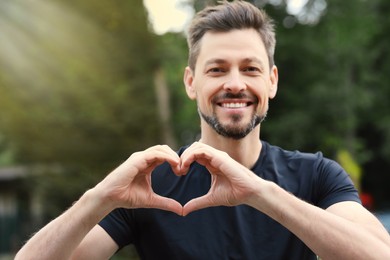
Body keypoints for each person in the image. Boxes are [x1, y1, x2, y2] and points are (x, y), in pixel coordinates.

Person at [15, 1, 390, 259]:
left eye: (250, 68)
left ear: (272, 81)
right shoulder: (150, 186)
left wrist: (261, 193)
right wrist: (98, 199)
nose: (235, 83)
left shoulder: (316, 175)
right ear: (191, 82)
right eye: (217, 69)